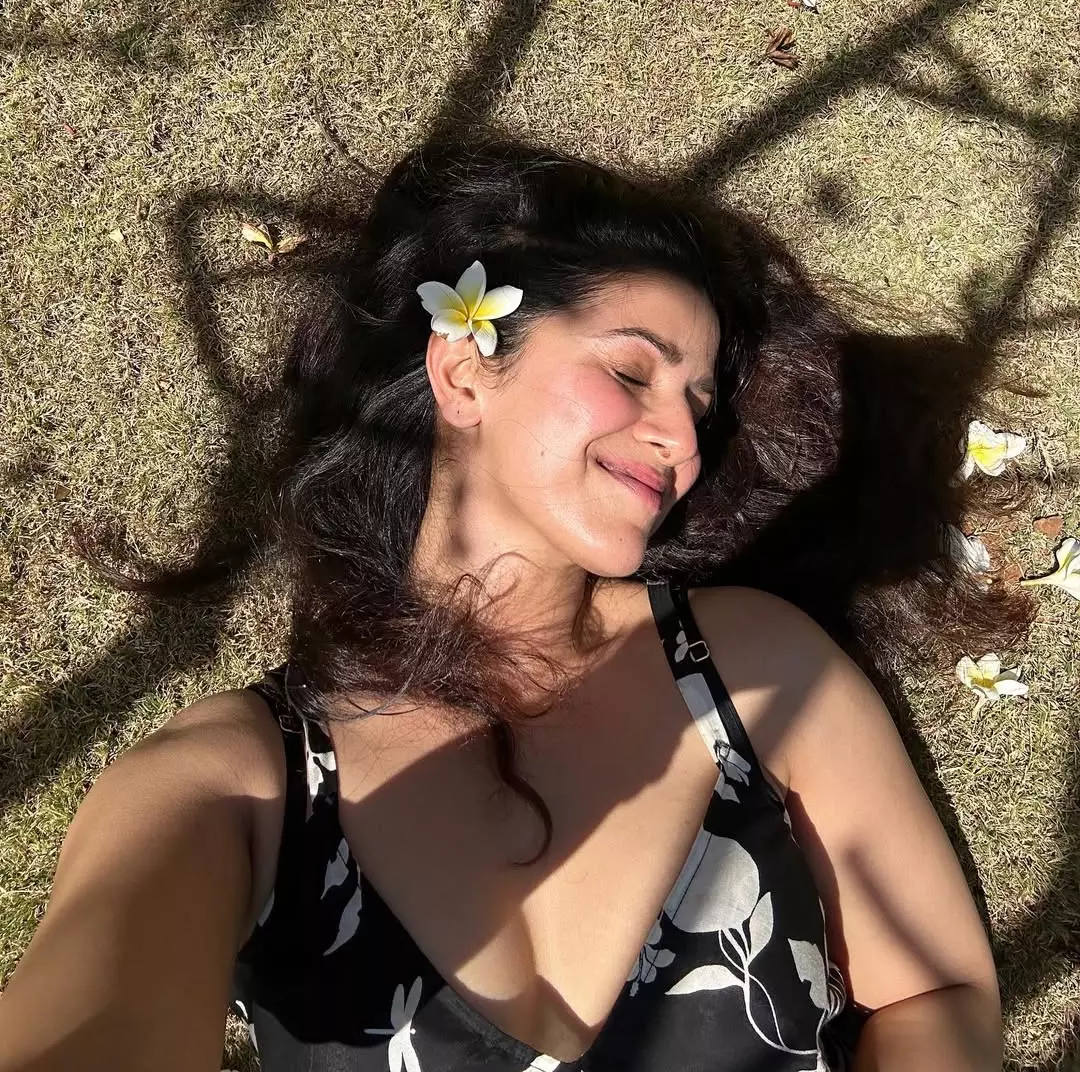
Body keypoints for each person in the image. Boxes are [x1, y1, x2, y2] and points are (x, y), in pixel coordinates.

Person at [0, 134, 1024, 1072]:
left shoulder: (754, 667)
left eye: (699, 403)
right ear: (463, 368)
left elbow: (935, 993)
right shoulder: (242, 786)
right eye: (632, 370)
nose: (682, 440)